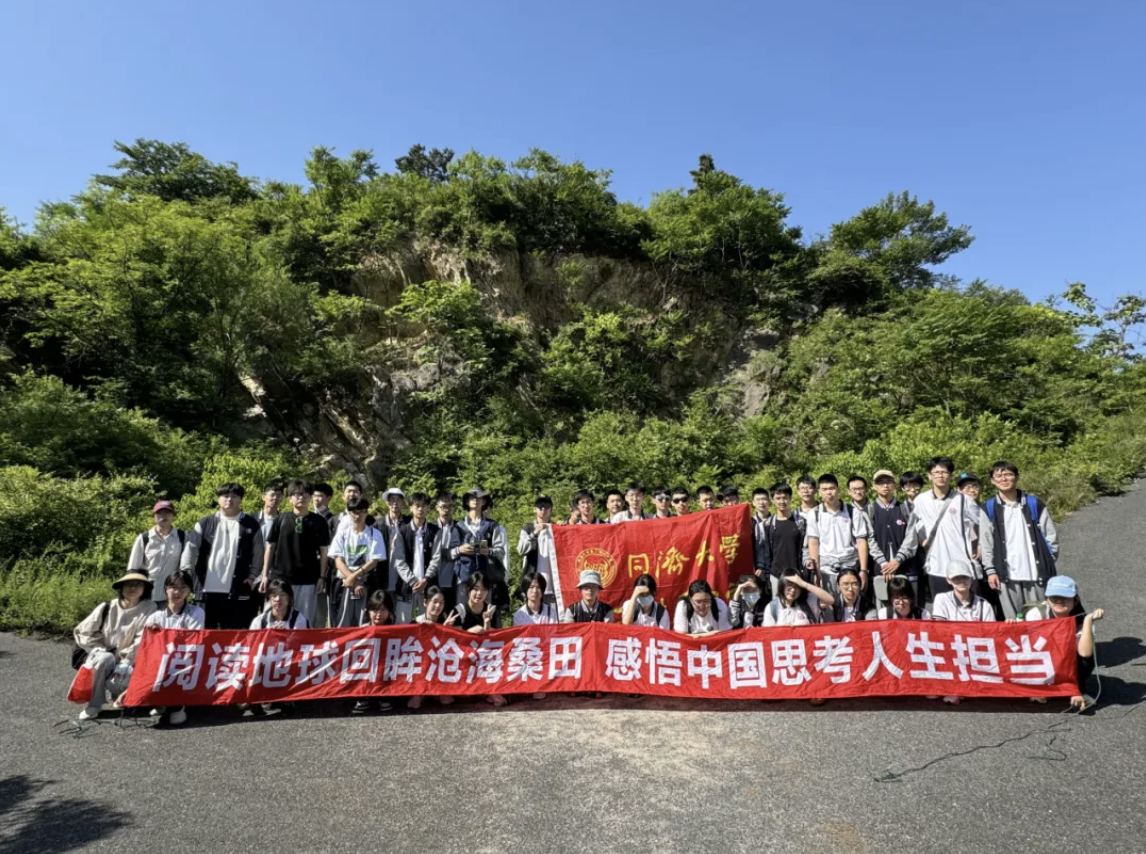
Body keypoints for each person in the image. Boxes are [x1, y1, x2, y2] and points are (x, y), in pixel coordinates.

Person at [981, 460, 1061, 620]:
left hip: (1036, 574)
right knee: (1014, 621)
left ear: (1017, 477)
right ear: (992, 481)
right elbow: (986, 543)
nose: (1003, 479)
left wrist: (1047, 561)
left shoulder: (1034, 504)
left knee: (1040, 619)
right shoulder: (988, 508)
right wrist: (991, 571)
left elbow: (1051, 536)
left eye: (1008, 474)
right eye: (998, 476)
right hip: (1006, 576)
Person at [74, 571, 156, 720]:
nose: (132, 588)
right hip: (104, 655)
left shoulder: (149, 607)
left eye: (138, 584)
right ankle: (94, 704)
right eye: (128, 584)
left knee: (120, 682)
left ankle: (120, 695)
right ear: (121, 587)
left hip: (131, 659)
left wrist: (127, 660)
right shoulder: (107, 606)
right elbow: (83, 631)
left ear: (144, 589)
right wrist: (97, 648)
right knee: (104, 658)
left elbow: (142, 638)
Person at [1013, 575, 1104, 710]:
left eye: (1065, 597)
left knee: (1086, 659)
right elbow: (1032, 648)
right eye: (1054, 597)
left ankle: (1076, 689)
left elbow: (1085, 653)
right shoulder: (1036, 613)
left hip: (1064, 658)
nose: (1059, 601)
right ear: (1047, 599)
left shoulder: (1081, 619)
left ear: (1075, 600)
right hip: (1040, 654)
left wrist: (1088, 621)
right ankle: (1039, 688)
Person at [181, 483, 264, 629]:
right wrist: (186, 572)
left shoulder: (251, 524)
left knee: (234, 634)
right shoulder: (204, 523)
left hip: (238, 589)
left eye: (234, 496)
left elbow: (258, 553)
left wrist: (252, 576)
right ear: (218, 498)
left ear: (241, 499)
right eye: (225, 496)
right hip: (206, 590)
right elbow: (191, 548)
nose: (229, 500)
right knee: (205, 633)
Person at [261, 479, 331, 627]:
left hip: (308, 579)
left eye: (306, 495)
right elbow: (270, 547)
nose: (301, 498)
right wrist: (265, 575)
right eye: (297, 494)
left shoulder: (319, 521)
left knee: (303, 621)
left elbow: (324, 551)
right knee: (274, 620)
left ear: (310, 497)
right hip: (281, 578)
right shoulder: (281, 518)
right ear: (289, 498)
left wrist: (322, 576)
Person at [142, 569, 204, 726]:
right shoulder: (155, 616)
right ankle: (160, 701)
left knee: (179, 663)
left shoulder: (196, 612)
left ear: (189, 590)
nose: (177, 592)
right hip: (160, 660)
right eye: (173, 587)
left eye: (183, 588)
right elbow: (147, 646)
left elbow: (193, 640)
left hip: (183, 660)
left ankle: (177, 706)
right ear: (166, 589)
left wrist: (163, 634)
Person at [912, 457, 978, 601]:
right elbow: (915, 526)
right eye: (936, 472)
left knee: (967, 606)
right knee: (941, 607)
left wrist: (978, 547)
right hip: (936, 565)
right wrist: (923, 540)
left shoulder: (964, 500)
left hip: (963, 563)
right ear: (929, 476)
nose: (940, 475)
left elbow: (980, 524)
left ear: (951, 475)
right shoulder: (921, 500)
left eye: (944, 472)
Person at [806, 474, 872, 597]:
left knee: (851, 601)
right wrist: (816, 571)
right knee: (829, 603)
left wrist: (863, 570)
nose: (829, 492)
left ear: (838, 489)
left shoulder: (853, 512)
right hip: (826, 567)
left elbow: (861, 541)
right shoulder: (814, 513)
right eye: (824, 489)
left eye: (832, 488)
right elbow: (813, 543)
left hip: (850, 565)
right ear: (819, 492)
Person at [866, 469, 922, 609]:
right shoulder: (869, 510)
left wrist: (898, 560)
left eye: (888, 482)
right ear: (874, 486)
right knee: (884, 610)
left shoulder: (905, 509)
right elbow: (869, 539)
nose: (885, 486)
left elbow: (911, 537)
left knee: (910, 608)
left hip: (906, 568)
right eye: (881, 482)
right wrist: (884, 564)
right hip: (881, 570)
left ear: (894, 485)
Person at [449, 573, 506, 707]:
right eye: (475, 589)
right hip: (466, 654)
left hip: (485, 655)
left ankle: (491, 690)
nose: (479, 593)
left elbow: (497, 638)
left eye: (484, 590)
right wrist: (469, 632)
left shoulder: (491, 610)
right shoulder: (459, 611)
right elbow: (455, 639)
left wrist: (487, 625)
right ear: (468, 589)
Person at [327, 497, 386, 628]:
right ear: (349, 513)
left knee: (364, 621)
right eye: (354, 512)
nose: (358, 516)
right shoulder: (342, 534)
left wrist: (353, 578)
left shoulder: (374, 534)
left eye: (362, 512)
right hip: (344, 583)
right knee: (342, 622)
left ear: (366, 512)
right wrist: (352, 580)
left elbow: (373, 561)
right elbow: (338, 561)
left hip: (366, 583)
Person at [390, 492, 442, 623]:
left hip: (428, 587)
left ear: (428, 508)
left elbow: (436, 558)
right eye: (417, 506)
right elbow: (399, 561)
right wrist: (413, 581)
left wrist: (426, 579)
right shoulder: (402, 531)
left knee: (428, 626)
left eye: (424, 506)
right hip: (406, 587)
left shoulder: (435, 531)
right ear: (410, 507)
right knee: (404, 625)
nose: (420, 509)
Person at [127, 500, 187, 604]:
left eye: (167, 512)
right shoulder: (144, 538)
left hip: (171, 596)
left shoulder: (182, 537)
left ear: (173, 515)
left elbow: (186, 567)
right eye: (160, 513)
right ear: (154, 516)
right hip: (145, 595)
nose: (164, 516)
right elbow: (132, 569)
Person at [407, 586, 456, 710]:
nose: (438, 606)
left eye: (441, 603)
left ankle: (441, 689)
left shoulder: (447, 621)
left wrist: (445, 630)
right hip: (421, 665)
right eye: (435, 602)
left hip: (439, 664)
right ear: (425, 602)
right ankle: (419, 693)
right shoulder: (415, 623)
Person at [760, 482, 808, 597]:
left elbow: (805, 548)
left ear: (790, 498)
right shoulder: (767, 525)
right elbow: (765, 552)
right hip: (776, 574)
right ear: (772, 500)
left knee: (797, 604)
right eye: (778, 498)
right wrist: (766, 575)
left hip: (797, 573)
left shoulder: (801, 522)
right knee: (777, 605)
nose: (782, 501)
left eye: (785, 498)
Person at [354, 590, 395, 714]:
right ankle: (362, 695)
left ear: (389, 611)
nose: (379, 614)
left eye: (383, 610)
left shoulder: (395, 630)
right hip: (366, 668)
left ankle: (385, 695)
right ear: (368, 611)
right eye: (375, 610)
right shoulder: (362, 629)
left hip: (386, 668)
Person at [517, 495, 558, 605]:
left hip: (554, 588)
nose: (543, 509)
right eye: (540, 506)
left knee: (553, 616)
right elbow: (520, 549)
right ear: (534, 509)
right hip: (533, 587)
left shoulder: (557, 528)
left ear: (551, 509)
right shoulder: (528, 529)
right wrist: (534, 533)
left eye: (546, 506)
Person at [764, 569, 831, 627]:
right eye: (789, 585)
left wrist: (803, 584)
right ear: (782, 585)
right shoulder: (772, 608)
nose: (793, 590)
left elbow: (830, 600)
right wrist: (780, 630)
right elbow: (767, 634)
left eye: (797, 587)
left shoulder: (808, 600)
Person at [431, 491, 461, 611]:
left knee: (453, 614)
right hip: (434, 580)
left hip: (455, 581)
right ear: (437, 507)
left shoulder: (460, 527)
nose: (447, 510)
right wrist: (453, 552)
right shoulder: (431, 528)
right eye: (443, 506)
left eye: (450, 506)